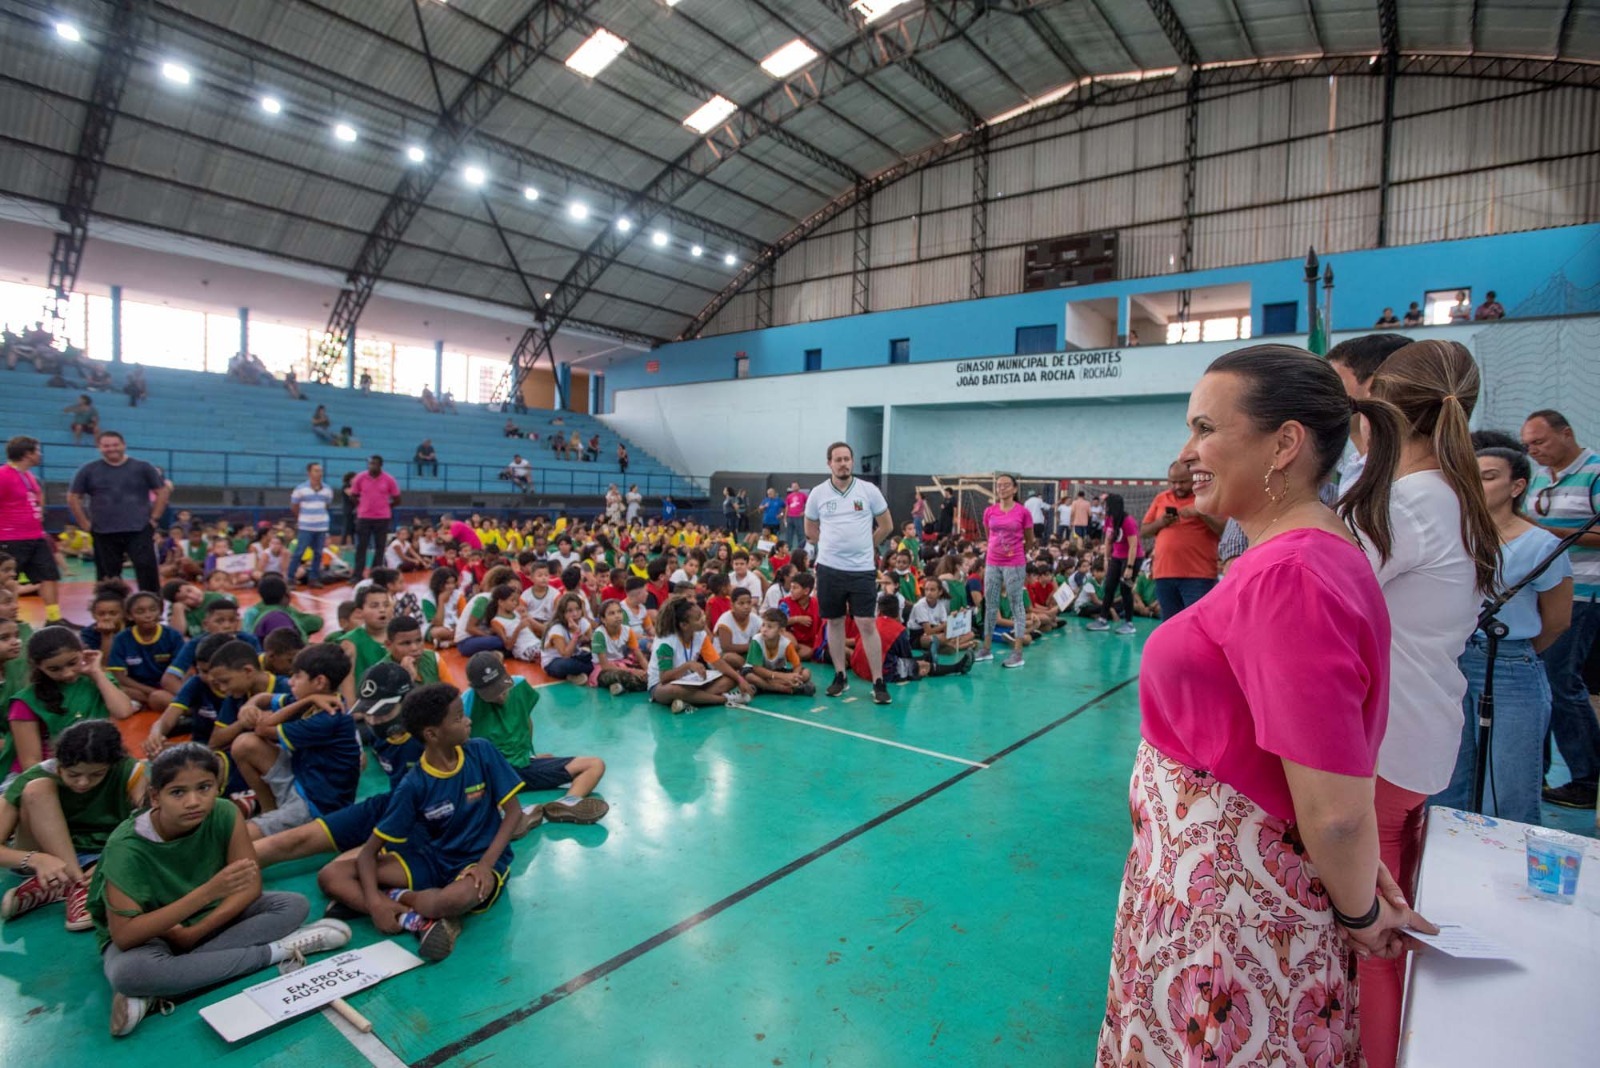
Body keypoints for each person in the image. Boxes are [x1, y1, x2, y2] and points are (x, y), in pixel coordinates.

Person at [1098, 343, 1436, 1067]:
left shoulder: (1293, 577)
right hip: (1213, 891)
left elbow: (1337, 809)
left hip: (1236, 915)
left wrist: (1361, 910)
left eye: (1205, 429)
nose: (1188, 452)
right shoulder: (1290, 559)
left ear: (1284, 443)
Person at [1355, 339, 1500, 1068]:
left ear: (1377, 402)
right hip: (1419, 736)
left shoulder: (1408, 503)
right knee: (1388, 923)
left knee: (1372, 935)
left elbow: (1316, 588)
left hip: (1384, 745)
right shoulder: (1456, 497)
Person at [89, 743, 351, 1036]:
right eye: (178, 792)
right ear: (155, 797)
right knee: (131, 973)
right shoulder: (125, 848)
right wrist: (208, 892)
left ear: (218, 787)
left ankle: (162, 989)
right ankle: (277, 952)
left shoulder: (225, 813)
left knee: (292, 905)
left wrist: (193, 933)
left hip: (208, 921)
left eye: (204, 787)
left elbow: (250, 887)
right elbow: (125, 936)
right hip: (153, 935)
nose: (193, 801)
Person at [315, 683, 525, 962]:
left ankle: (406, 904)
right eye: (459, 717)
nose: (468, 720)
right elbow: (368, 853)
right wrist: (375, 903)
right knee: (331, 875)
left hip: (479, 862)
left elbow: (513, 813)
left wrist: (486, 866)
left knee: (452, 900)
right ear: (432, 733)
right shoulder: (413, 786)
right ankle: (409, 913)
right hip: (433, 860)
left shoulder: (481, 752)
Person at [1432, 444, 1572, 824]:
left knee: (1507, 788)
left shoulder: (1541, 544)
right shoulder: (1455, 536)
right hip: (1454, 661)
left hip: (1510, 666)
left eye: (1490, 477)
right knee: (1446, 784)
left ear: (1516, 487)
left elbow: (1557, 619)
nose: (1477, 485)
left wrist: (1515, 651)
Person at [1521, 408, 1600, 810]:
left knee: (1563, 683)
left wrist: (1550, 535)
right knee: (1546, 682)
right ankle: (1540, 769)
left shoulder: (1595, 473)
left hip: (1584, 595)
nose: (1534, 451)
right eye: (1528, 445)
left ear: (1567, 434)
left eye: (1541, 442)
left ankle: (1587, 778)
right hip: (1540, 592)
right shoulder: (1538, 478)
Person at [461, 652, 608, 823]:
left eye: (502, 687)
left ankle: (566, 804)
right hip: (493, 773)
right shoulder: (466, 704)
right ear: (476, 689)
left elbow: (526, 720)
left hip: (523, 765)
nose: (500, 695)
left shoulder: (519, 685)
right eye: (492, 693)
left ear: (505, 674)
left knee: (594, 765)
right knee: (475, 799)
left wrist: (529, 755)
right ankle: (510, 815)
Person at [805, 443, 893, 704]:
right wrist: (832, 546)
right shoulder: (819, 493)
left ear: (852, 462)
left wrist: (867, 545)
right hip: (830, 568)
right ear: (829, 463)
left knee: (866, 623)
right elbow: (810, 530)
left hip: (862, 569)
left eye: (847, 459)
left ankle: (878, 681)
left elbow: (886, 525)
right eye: (838, 459)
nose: (843, 463)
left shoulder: (869, 490)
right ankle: (840, 675)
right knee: (834, 621)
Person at [67, 432, 168, 593]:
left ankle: (152, 609)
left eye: (115, 445)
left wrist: (154, 518)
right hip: (103, 531)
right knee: (108, 577)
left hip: (139, 529)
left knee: (147, 570)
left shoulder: (143, 467)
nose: (111, 449)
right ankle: (110, 610)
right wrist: (85, 523)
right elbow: (73, 497)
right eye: (106, 446)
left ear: (123, 445)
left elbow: (162, 491)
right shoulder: (88, 470)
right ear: (99, 448)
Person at [1327, 334, 1412, 499]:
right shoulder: (1357, 465)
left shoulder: (1397, 482)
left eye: (1333, 382)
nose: (1323, 394)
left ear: (1374, 387)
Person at [1140, 461, 1224, 619]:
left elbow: (1224, 530)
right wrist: (1161, 522)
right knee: (1170, 625)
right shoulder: (1160, 498)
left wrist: (1201, 513)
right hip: (1164, 574)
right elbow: (1144, 532)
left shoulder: (1207, 497)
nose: (1177, 486)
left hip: (1199, 576)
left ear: (1194, 477)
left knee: (1198, 624)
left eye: (1182, 481)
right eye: (1173, 482)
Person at [0, 437, 68, 625]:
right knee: (7, 579)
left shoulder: (29, 476)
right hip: (10, 537)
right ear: (27, 454)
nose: (40, 454)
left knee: (49, 576)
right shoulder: (3, 475)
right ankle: (6, 619)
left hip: (35, 536)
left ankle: (54, 619)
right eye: (37, 451)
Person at [975, 474, 1032, 667]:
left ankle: (1017, 653)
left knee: (1016, 604)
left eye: (1007, 485)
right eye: (999, 485)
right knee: (990, 603)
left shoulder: (1022, 512)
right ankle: (986, 648)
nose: (1002, 488)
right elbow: (987, 533)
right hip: (992, 562)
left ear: (1015, 489)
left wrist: (1017, 553)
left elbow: (1030, 539)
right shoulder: (989, 511)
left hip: (1014, 563)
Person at [1086, 494, 1141, 635]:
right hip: (1116, 557)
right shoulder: (1109, 519)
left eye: (1106, 505)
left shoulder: (1128, 521)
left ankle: (1129, 623)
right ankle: (1103, 620)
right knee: (1109, 587)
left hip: (1132, 558)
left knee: (1125, 589)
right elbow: (1108, 540)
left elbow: (1133, 545)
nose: (1104, 507)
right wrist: (1106, 558)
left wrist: (1129, 567)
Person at [347, 454, 400, 582]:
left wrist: (386, 507)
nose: (372, 466)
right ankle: (357, 575)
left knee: (380, 547)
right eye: (370, 463)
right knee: (361, 547)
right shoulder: (360, 478)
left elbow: (397, 498)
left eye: (375, 464)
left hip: (382, 518)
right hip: (364, 518)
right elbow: (353, 495)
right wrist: (361, 506)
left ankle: (376, 575)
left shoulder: (389, 479)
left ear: (380, 465)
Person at [288, 462, 334, 590]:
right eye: (316, 471)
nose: (319, 473)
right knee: (299, 552)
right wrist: (302, 518)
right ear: (309, 473)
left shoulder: (327, 489)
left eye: (320, 471)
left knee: (318, 553)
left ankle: (314, 578)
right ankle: (290, 578)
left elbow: (327, 505)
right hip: (306, 526)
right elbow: (294, 506)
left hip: (321, 526)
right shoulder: (300, 489)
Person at [783, 482, 808, 549]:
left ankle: (801, 548)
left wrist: (804, 512)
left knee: (800, 533)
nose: (794, 487)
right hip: (790, 517)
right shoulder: (789, 496)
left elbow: (809, 504)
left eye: (796, 486)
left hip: (798, 517)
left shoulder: (803, 495)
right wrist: (785, 518)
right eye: (793, 486)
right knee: (789, 534)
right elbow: (787, 507)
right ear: (791, 488)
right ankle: (788, 548)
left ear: (799, 487)